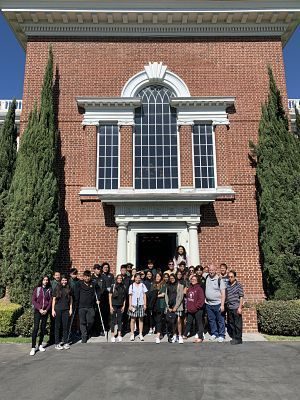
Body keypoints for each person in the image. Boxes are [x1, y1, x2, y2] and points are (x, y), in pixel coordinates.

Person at [75, 270, 101, 343]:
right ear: (83, 277)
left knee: (91, 321)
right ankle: (84, 336)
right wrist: (76, 304)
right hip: (81, 306)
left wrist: (98, 299)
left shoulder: (93, 284)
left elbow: (99, 291)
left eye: (88, 276)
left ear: (90, 277)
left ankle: (86, 331)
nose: (87, 278)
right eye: (85, 276)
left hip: (90, 306)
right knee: (82, 322)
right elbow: (76, 294)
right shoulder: (79, 284)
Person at [30, 276, 52, 356]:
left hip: (45, 312)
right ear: (42, 280)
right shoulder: (38, 289)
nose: (45, 281)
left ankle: (40, 345)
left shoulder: (49, 290)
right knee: (36, 328)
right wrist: (40, 309)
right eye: (44, 280)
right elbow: (33, 300)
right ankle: (33, 347)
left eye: (47, 280)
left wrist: (46, 310)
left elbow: (50, 301)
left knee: (43, 329)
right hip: (38, 311)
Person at [205, 265, 226, 342]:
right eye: (210, 270)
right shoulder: (206, 277)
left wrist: (222, 305)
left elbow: (223, 293)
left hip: (218, 304)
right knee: (211, 320)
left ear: (215, 270)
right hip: (208, 304)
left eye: (213, 270)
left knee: (220, 320)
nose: (211, 271)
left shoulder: (219, 280)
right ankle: (214, 333)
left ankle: (221, 335)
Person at [52, 275, 73, 350]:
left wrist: (70, 309)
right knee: (57, 327)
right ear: (60, 281)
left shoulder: (69, 288)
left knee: (65, 327)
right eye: (63, 280)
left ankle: (66, 342)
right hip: (57, 309)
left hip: (66, 310)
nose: (64, 282)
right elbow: (54, 300)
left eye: (65, 280)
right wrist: (53, 310)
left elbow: (71, 300)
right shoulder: (56, 288)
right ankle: (57, 343)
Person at [183, 275, 205, 343]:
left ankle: (200, 337)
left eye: (194, 279)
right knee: (188, 322)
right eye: (192, 279)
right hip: (190, 310)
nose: (193, 280)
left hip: (198, 310)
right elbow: (188, 298)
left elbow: (201, 300)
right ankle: (185, 335)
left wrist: (196, 307)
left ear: (197, 280)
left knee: (199, 323)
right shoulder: (189, 288)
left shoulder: (199, 289)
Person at [128, 273, 148, 341]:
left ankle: (140, 334)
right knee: (132, 320)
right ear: (134, 278)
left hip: (141, 304)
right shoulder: (131, 286)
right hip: (133, 304)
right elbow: (130, 296)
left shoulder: (142, 285)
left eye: (139, 278)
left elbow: (144, 295)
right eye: (136, 277)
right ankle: (132, 334)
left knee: (141, 320)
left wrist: (145, 304)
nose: (138, 279)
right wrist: (130, 305)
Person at [165, 274, 184, 343]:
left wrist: (176, 307)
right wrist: (168, 306)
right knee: (172, 322)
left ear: (175, 278)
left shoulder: (180, 286)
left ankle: (180, 335)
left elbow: (180, 297)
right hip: (170, 306)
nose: (172, 279)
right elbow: (166, 297)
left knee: (178, 321)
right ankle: (174, 335)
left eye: (173, 278)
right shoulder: (168, 286)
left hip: (178, 307)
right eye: (170, 278)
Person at [226, 270, 244, 345]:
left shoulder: (238, 285)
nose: (230, 278)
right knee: (231, 323)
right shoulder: (228, 285)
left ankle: (238, 339)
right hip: (230, 307)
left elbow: (241, 297)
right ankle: (234, 337)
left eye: (231, 277)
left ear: (235, 277)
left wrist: (240, 308)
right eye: (229, 277)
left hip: (236, 307)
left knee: (238, 324)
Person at [109, 274, 126, 342]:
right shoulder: (113, 286)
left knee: (120, 321)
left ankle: (119, 334)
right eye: (118, 278)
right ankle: (113, 335)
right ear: (116, 279)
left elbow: (125, 298)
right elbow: (110, 296)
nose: (119, 279)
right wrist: (110, 306)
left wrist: (124, 306)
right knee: (113, 321)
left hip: (120, 306)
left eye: (121, 278)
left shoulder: (124, 286)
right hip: (113, 305)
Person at [151, 274, 167, 344]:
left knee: (159, 319)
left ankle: (158, 334)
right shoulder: (153, 285)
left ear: (161, 277)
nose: (157, 278)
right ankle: (159, 331)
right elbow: (150, 293)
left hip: (161, 304)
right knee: (155, 319)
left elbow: (163, 294)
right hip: (154, 304)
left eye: (159, 276)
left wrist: (155, 295)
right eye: (156, 276)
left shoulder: (163, 285)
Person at [91, 264, 106, 336]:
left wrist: (99, 298)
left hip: (100, 300)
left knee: (100, 316)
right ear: (94, 269)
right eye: (97, 269)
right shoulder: (91, 278)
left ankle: (100, 330)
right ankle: (93, 331)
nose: (98, 270)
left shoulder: (102, 278)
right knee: (93, 315)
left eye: (99, 269)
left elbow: (103, 288)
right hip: (92, 300)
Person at [101, 262, 115, 332]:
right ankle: (103, 326)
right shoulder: (100, 275)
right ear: (102, 268)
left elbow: (113, 285)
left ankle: (108, 325)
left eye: (107, 267)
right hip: (103, 296)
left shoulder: (111, 275)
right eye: (104, 267)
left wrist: (110, 288)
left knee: (109, 311)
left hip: (110, 296)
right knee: (103, 311)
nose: (106, 269)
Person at [49, 271, 61, 344]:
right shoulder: (51, 283)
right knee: (53, 322)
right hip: (51, 305)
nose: (57, 276)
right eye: (56, 275)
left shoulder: (62, 283)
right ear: (54, 276)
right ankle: (51, 339)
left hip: (59, 305)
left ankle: (58, 338)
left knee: (59, 323)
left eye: (58, 275)